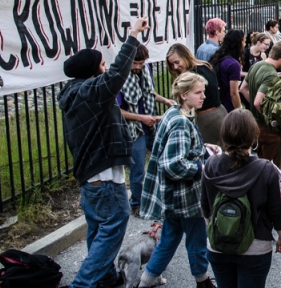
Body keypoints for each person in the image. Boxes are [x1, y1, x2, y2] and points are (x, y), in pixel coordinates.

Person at [59, 17, 148, 288]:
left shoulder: (75, 91)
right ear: (92, 71)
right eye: (101, 64)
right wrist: (132, 36)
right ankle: (83, 284)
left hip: (92, 176)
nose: (105, 67)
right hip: (103, 178)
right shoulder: (90, 91)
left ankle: (106, 277)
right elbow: (116, 74)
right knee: (113, 225)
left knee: (98, 228)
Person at [139, 72, 216, 288]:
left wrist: (202, 148)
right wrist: (201, 166)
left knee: (169, 239)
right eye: (198, 92)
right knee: (197, 239)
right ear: (183, 95)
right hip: (186, 195)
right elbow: (173, 164)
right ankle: (202, 280)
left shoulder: (173, 113)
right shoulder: (181, 122)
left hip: (172, 195)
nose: (203, 96)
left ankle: (145, 282)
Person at [201, 110, 281, 288]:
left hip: (219, 244)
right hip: (255, 246)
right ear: (254, 137)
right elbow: (276, 210)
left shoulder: (211, 164)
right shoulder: (265, 169)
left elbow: (205, 207)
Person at [119, 44, 174, 216]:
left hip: (150, 124)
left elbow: (149, 93)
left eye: (140, 64)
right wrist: (141, 118)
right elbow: (117, 111)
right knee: (138, 170)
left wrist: (165, 101)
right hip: (134, 129)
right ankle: (136, 203)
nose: (137, 67)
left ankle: (158, 195)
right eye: (134, 64)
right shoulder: (119, 77)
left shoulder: (146, 69)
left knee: (164, 158)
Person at [240, 40, 281, 168]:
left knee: (260, 162)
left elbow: (243, 88)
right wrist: (271, 119)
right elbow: (258, 102)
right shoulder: (271, 75)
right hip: (268, 129)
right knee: (271, 167)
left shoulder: (257, 65)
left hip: (255, 123)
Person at [210, 30, 245, 112]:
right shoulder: (233, 64)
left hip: (217, 103)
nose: (245, 44)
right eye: (244, 41)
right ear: (238, 43)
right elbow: (234, 93)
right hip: (229, 107)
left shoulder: (218, 57)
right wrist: (239, 111)